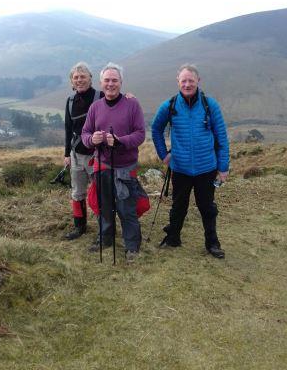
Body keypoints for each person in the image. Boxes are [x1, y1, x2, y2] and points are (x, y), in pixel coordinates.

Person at [151, 63, 229, 258]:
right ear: (178, 81)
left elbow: (221, 137)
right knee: (179, 206)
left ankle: (212, 244)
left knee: (207, 207)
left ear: (198, 81)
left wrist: (223, 168)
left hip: (206, 168)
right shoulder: (169, 105)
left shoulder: (210, 105)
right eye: (183, 80)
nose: (187, 84)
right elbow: (155, 129)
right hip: (180, 168)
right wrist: (164, 155)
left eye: (191, 81)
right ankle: (173, 238)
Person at [82, 62, 146, 261]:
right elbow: (85, 133)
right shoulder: (95, 107)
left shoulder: (132, 104)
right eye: (107, 80)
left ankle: (132, 246)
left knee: (127, 208)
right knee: (104, 206)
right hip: (102, 164)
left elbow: (140, 134)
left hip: (125, 166)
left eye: (114, 80)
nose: (111, 84)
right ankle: (106, 238)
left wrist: (120, 141)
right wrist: (92, 140)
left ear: (121, 82)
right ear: (101, 83)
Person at [63, 62, 103, 240]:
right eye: (76, 77)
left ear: (90, 78)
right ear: (72, 81)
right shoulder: (70, 101)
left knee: (101, 194)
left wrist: (129, 98)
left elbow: (118, 104)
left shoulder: (101, 96)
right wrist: (66, 154)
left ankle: (105, 229)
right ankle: (80, 227)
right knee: (77, 192)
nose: (79, 80)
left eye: (83, 76)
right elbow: (67, 128)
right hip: (76, 155)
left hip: (97, 155)